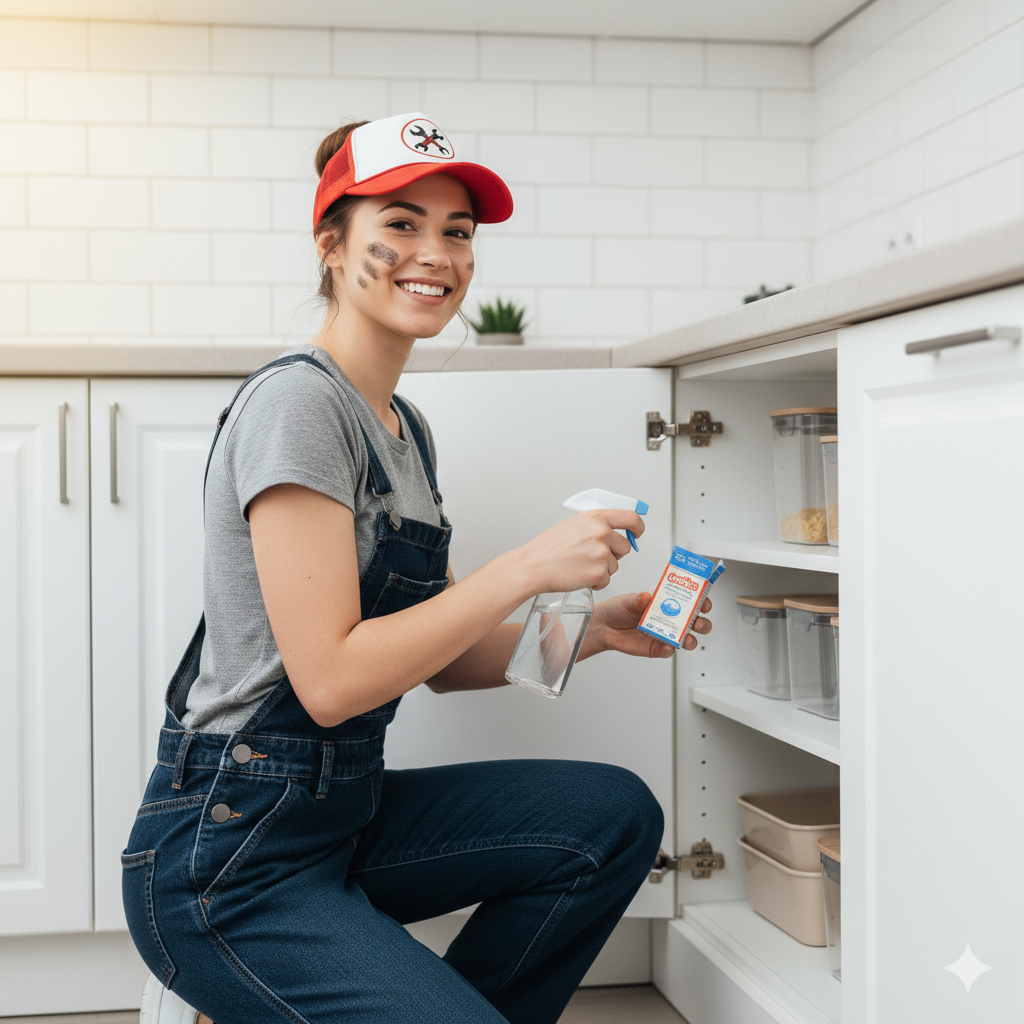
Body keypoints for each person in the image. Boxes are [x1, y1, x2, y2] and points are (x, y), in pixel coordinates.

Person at [125, 112, 713, 1024]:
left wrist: (594, 629)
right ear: (331, 244)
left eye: (457, 231)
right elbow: (328, 684)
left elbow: (436, 661)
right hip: (227, 856)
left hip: (339, 822)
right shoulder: (298, 405)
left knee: (611, 816)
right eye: (399, 223)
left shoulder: (405, 428)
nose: (434, 253)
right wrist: (525, 567)